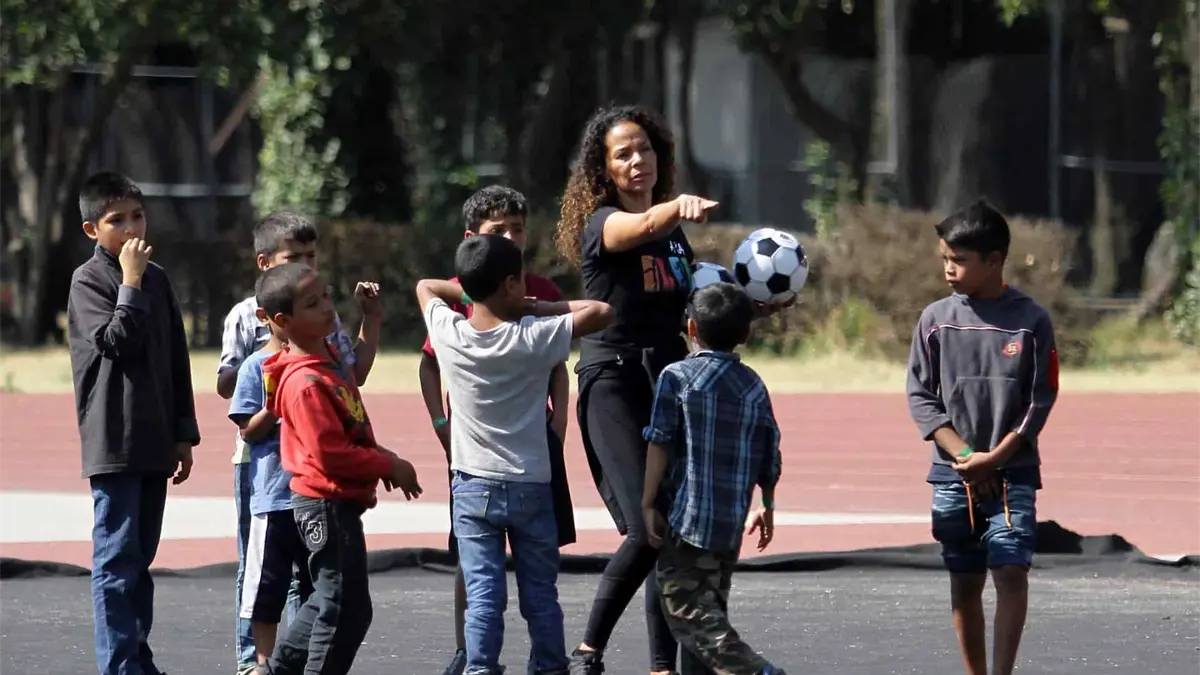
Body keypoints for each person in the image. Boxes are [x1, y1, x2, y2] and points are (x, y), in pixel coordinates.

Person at [554, 104, 789, 675]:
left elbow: (694, 311)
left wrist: (751, 309)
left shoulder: (676, 240)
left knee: (672, 528)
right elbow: (636, 230)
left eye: (645, 149)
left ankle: (663, 666)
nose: (638, 160)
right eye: (623, 154)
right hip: (614, 382)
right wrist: (673, 207)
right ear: (605, 170)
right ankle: (587, 652)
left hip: (669, 383)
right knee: (645, 527)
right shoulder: (603, 224)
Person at [417, 234, 614, 675]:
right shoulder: (535, 336)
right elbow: (602, 311)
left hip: (472, 486)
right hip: (531, 483)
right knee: (540, 594)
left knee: (483, 596)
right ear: (511, 284)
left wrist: (470, 293)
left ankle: (479, 667)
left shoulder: (449, 333)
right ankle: (549, 667)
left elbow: (425, 287)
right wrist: (539, 307)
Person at [215, 211, 381, 675]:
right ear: (265, 262)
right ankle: (254, 661)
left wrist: (370, 320)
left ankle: (292, 660)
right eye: (295, 257)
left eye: (312, 257)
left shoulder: (323, 323)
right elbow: (229, 387)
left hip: (310, 479)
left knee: (316, 580)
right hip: (264, 472)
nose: (307, 266)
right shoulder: (248, 321)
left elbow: (352, 375)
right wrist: (277, 375)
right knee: (261, 573)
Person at [906, 200, 1059, 675]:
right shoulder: (935, 319)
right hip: (953, 475)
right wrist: (970, 458)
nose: (949, 269)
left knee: (1011, 569)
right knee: (965, 578)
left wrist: (997, 458)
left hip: (1012, 473)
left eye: (960, 260)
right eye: (944, 259)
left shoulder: (1031, 321)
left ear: (995, 260)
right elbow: (921, 397)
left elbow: (1040, 399)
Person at [256, 262, 422, 675]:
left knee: (330, 600)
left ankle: (277, 670)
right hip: (325, 505)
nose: (328, 307)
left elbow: (347, 427)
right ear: (283, 321)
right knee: (344, 610)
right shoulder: (305, 384)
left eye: (327, 296)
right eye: (313, 304)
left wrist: (380, 455)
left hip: (335, 504)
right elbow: (330, 455)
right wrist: (387, 464)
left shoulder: (326, 359)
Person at [67, 171, 200, 675]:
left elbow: (176, 360)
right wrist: (129, 282)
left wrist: (183, 433)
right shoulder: (89, 281)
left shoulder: (157, 278)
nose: (131, 228)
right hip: (113, 440)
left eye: (137, 216)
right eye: (116, 220)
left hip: (154, 437)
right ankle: (120, 666)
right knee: (117, 558)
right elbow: (115, 342)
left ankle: (138, 659)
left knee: (140, 559)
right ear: (92, 229)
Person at [640, 283, 785, 675]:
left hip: (689, 521)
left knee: (685, 609)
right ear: (746, 334)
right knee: (712, 609)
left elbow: (659, 441)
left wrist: (648, 502)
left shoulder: (677, 377)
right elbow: (769, 451)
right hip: (729, 524)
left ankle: (757, 671)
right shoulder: (753, 384)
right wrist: (767, 505)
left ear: (691, 328)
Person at [228, 300, 314, 668]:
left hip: (315, 497)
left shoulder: (317, 363)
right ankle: (262, 664)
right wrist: (275, 403)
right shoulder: (255, 366)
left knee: (314, 589)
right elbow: (248, 430)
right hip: (273, 499)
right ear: (268, 319)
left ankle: (303, 663)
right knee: (266, 593)